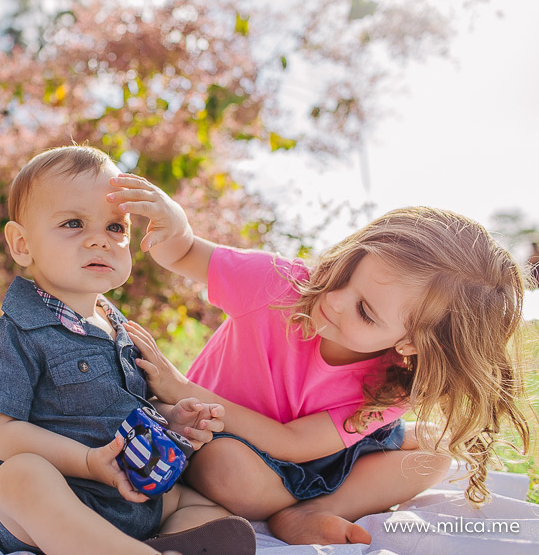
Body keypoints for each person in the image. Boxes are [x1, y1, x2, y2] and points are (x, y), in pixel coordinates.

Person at [107, 173, 534, 546]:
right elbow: (183, 254)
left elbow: (292, 443)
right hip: (228, 438)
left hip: (301, 447)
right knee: (225, 470)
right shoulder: (278, 285)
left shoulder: (393, 385)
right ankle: (326, 481)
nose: (334, 300)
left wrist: (181, 386)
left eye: (366, 311)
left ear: (410, 345)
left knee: (438, 454)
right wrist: (174, 227)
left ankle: (311, 509)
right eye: (346, 273)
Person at [0, 146, 257, 555]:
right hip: (61, 501)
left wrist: (171, 416)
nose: (100, 239)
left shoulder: (119, 328)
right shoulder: (15, 336)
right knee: (19, 477)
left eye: (116, 228)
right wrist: (85, 463)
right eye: (73, 223)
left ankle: (161, 543)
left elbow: (127, 406)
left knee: (204, 507)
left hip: (134, 496)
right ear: (22, 243)